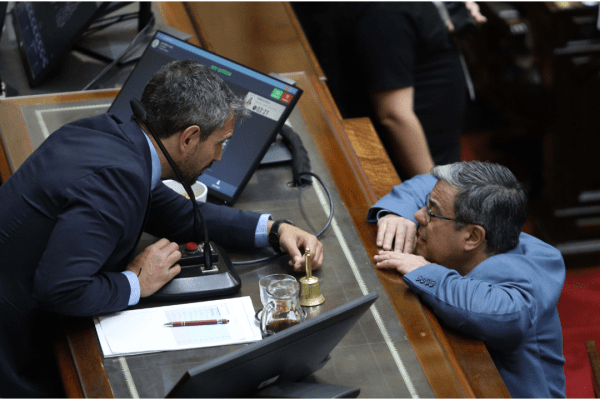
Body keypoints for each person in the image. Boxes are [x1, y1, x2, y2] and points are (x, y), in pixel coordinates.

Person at [0, 60, 323, 398]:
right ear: (189, 137)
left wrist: (273, 229)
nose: (219, 157)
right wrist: (135, 283)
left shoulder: (108, 137)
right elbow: (60, 290)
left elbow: (179, 214)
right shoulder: (117, 179)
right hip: (14, 360)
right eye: (220, 143)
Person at [367, 161, 565, 398]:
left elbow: (503, 313)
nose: (419, 215)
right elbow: (426, 183)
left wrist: (425, 271)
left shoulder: (528, 270)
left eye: (431, 212)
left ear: (472, 237)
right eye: (426, 204)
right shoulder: (487, 226)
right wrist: (398, 213)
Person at [350, 2, 486, 179]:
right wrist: (431, 186)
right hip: (418, 168)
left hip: (445, 152)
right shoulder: (386, 12)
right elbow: (393, 116)